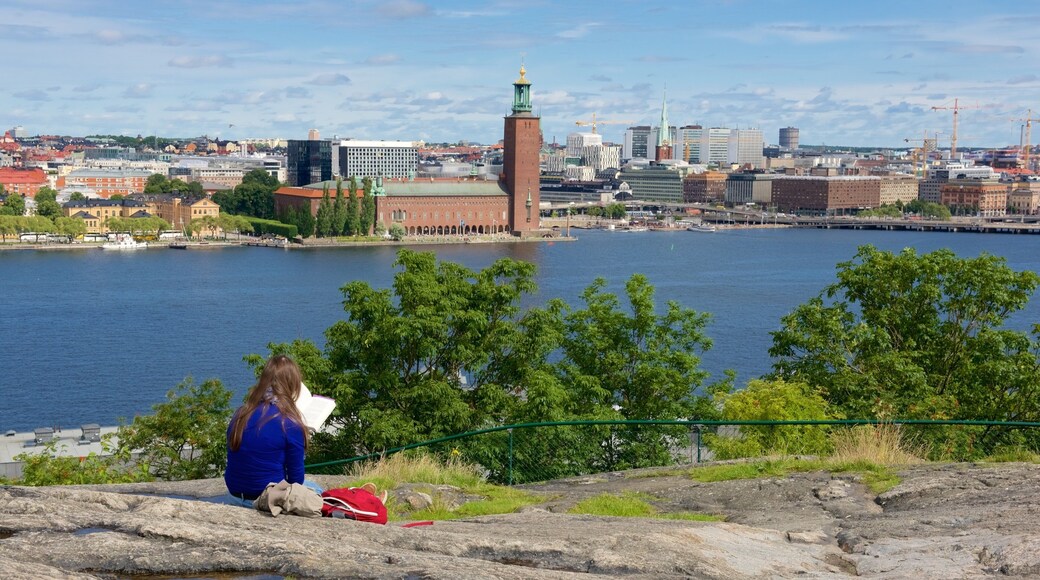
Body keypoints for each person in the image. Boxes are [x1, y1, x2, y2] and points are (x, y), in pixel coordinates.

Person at [224, 355, 322, 504]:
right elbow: (296, 480)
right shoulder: (289, 423)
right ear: (293, 385)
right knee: (317, 489)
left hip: (234, 495)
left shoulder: (240, 414)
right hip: (266, 499)